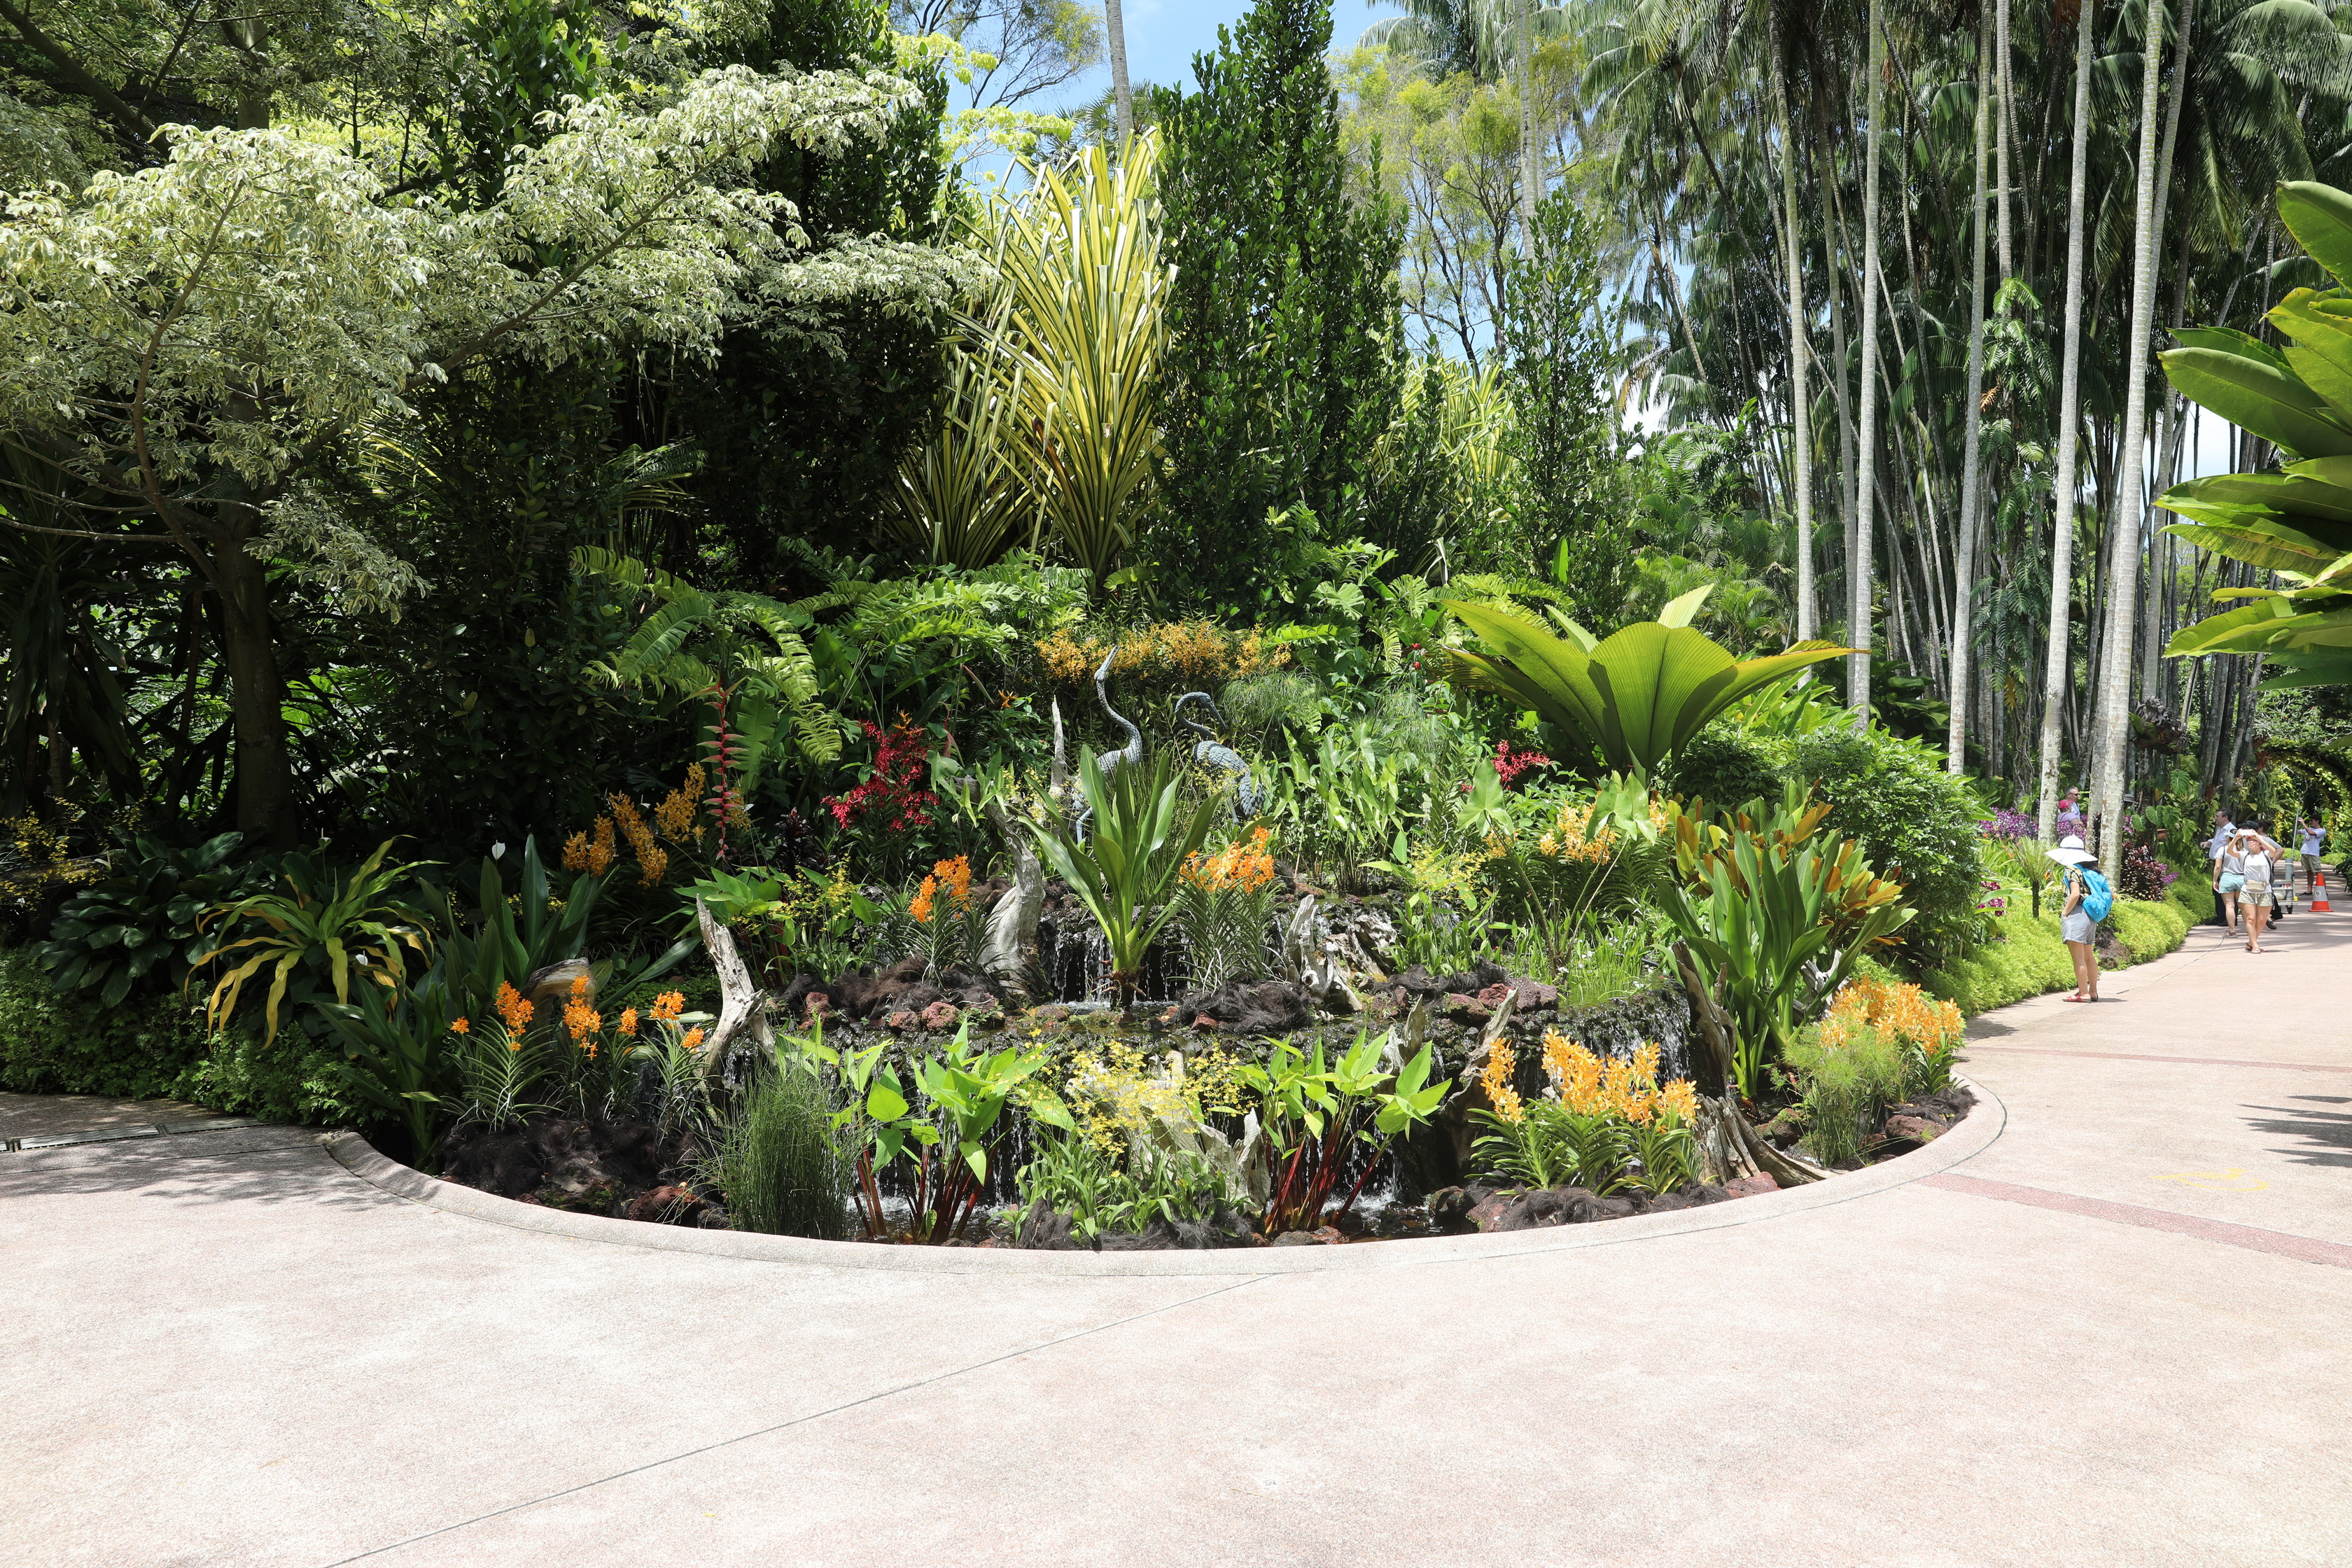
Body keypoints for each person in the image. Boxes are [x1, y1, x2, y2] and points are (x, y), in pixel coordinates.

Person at [2051, 834, 2103, 1002]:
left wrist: (2065, 913)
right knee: (2088, 956)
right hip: (2090, 916)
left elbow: (2075, 894)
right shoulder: (2089, 869)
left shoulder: (2072, 869)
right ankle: (2093, 991)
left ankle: (2083, 993)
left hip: (2077, 914)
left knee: (2078, 957)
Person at [2238, 827, 2277, 953]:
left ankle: (2250, 943)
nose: (2251, 842)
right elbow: (2230, 851)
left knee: (2261, 921)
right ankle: (2255, 945)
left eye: (2254, 841)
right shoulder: (2245, 855)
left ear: (2260, 844)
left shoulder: (2266, 854)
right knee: (2251, 918)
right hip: (2248, 890)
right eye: (2249, 840)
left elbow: (2274, 850)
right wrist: (2236, 838)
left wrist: (2259, 838)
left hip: (2264, 890)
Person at [2213, 830, 2246, 936]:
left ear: (2228, 838)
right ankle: (2249, 928)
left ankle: (2232, 930)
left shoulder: (2222, 850)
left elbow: (2218, 866)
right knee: (2243, 906)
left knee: (2229, 906)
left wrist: (2215, 880)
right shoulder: (2244, 851)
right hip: (2242, 878)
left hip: (2227, 878)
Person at [2208, 813, 2236, 929]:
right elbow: (2217, 841)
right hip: (2219, 862)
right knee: (2218, 893)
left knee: (2225, 894)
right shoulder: (2220, 829)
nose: (2215, 818)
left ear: (2225, 817)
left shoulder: (2231, 830)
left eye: (2217, 816)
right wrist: (2209, 842)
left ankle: (2227, 919)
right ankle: (2220, 917)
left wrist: (2215, 878)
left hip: (2225, 865)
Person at [2302, 817, 2328, 899]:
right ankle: (2309, 890)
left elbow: (2312, 833)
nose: (2310, 822)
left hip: (2313, 853)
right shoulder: (2309, 829)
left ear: (2317, 821)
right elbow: (2296, 832)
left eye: (2312, 820)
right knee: (2309, 872)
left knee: (2318, 872)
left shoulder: (2321, 831)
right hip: (2305, 852)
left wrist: (2303, 823)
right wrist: (2297, 823)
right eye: (2309, 820)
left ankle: (2323, 890)